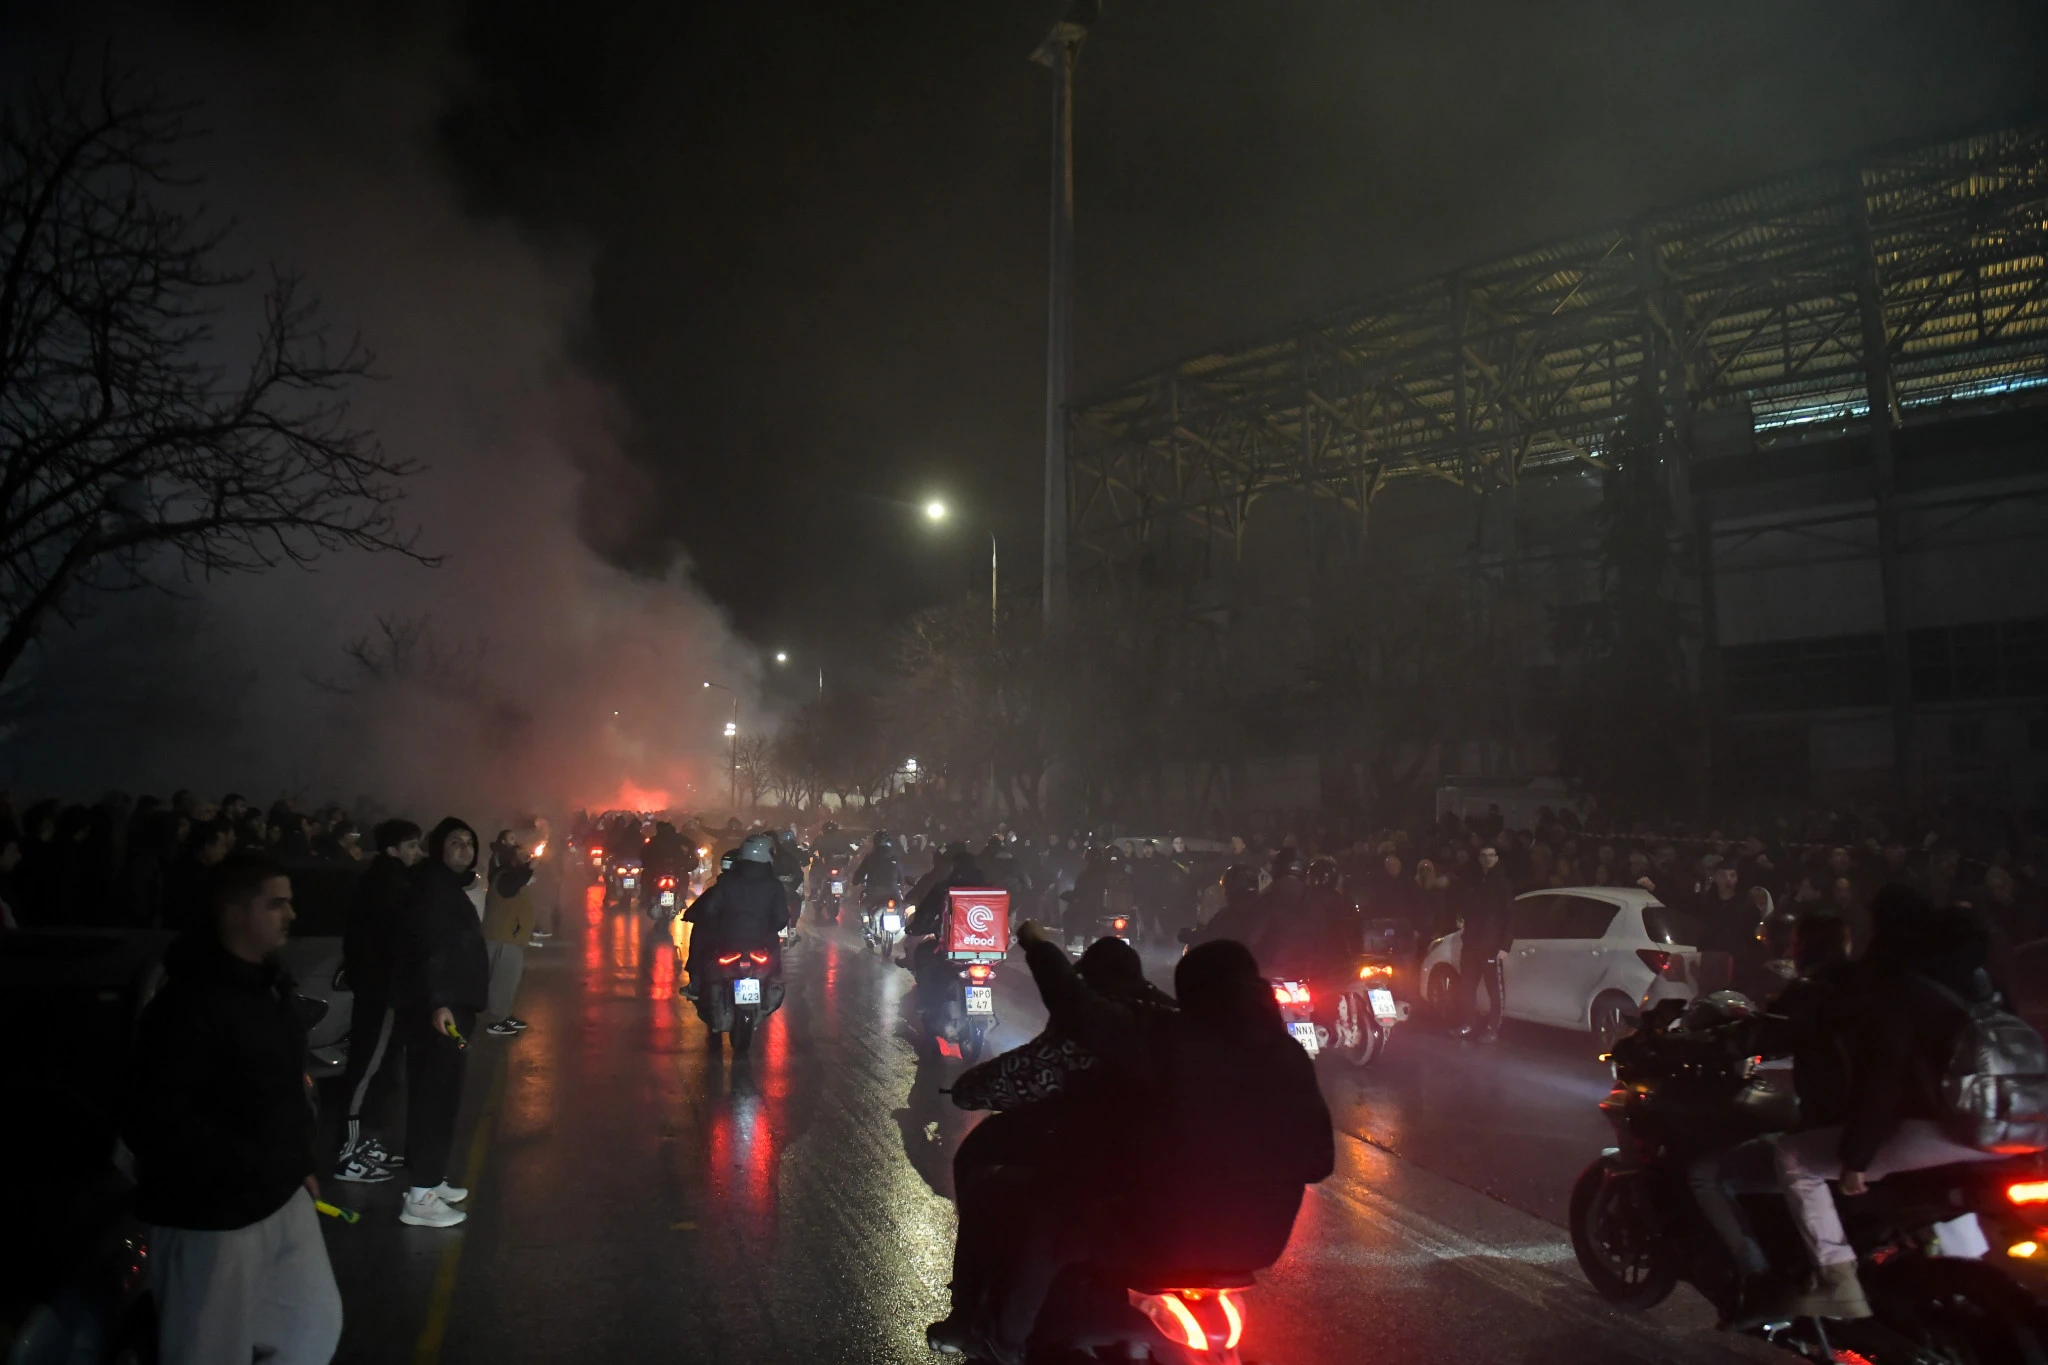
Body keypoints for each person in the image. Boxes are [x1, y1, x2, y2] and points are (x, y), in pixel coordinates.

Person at [943, 923, 1333, 1363]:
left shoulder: (1170, 1040)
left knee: (1047, 1222)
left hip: (1163, 1235)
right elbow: (1319, 1162)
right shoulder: (1291, 1058)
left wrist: (1037, 946)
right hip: (1258, 1247)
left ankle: (999, 1342)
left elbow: (1079, 1011)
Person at [121, 854, 344, 1365]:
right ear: (234, 913)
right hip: (212, 1220)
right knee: (208, 1350)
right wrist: (253, 1166)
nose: (291, 915)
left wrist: (297, 1163)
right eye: (276, 904)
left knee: (308, 1326)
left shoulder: (269, 988)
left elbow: (282, 1089)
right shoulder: (186, 1008)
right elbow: (156, 1123)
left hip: (277, 1195)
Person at [1765, 887, 2006, 1320]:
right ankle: (1971, 1285)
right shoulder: (1978, 981)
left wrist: (1857, 1157)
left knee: (1794, 1158)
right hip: (2003, 1125)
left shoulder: (1896, 987)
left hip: (1938, 1124)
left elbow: (1885, 1079)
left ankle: (1838, 1284)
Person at [932, 937, 1178, 1354]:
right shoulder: (1172, 1034)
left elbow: (1017, 1076)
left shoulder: (1088, 1031)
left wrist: (966, 1089)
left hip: (1093, 1176)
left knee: (990, 1187)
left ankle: (970, 1319)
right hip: (1162, 1186)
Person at [394, 818, 488, 1228]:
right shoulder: (434, 887)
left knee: (435, 1091)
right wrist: (440, 1002)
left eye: (470, 842)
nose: (464, 849)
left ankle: (428, 1178)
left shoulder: (441, 883)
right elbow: (431, 948)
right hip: (443, 1009)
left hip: (447, 1004)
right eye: (455, 842)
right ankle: (421, 1198)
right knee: (437, 1093)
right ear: (438, 847)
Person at [333, 819, 424, 1183]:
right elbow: (392, 940)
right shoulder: (386, 884)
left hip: (381, 988)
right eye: (412, 845)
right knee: (365, 1067)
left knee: (379, 1069)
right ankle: (347, 1154)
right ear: (392, 850)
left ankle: (365, 1143)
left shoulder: (388, 880)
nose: (418, 852)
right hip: (379, 991)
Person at [681, 832, 789, 1021]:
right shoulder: (774, 885)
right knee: (775, 957)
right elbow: (781, 918)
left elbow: (709, 909)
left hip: (727, 940)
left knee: (700, 940)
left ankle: (695, 984)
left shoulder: (726, 882)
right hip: (760, 942)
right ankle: (772, 983)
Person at [480, 830, 537, 1038]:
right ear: (512, 861)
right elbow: (514, 883)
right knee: (501, 980)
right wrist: (529, 869)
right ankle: (496, 1020)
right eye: (522, 856)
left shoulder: (511, 875)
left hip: (511, 938)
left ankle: (505, 1014)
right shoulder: (506, 877)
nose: (528, 857)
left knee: (510, 980)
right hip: (503, 938)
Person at [1455, 843, 1513, 1041]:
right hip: (1471, 943)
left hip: (1491, 946)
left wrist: (1505, 946)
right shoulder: (1475, 881)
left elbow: (1509, 916)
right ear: (1479, 858)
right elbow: (1466, 905)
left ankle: (1493, 1027)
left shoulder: (1503, 883)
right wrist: (1462, 917)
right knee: (1467, 986)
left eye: (1491, 855)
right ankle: (1469, 1023)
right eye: (1484, 855)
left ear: (1497, 858)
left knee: (1494, 989)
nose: (1488, 858)